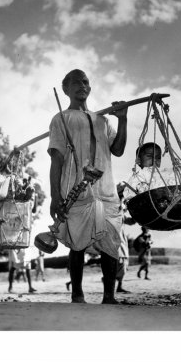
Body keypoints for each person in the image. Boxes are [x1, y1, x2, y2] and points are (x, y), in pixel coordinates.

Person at [48, 69, 128, 304]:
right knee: (77, 243)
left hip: (106, 191)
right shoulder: (61, 119)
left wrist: (122, 118)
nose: (82, 86)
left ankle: (109, 296)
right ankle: (77, 295)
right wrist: (55, 196)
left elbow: (119, 149)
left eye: (85, 82)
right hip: (76, 190)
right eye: (76, 82)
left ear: (90, 88)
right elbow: (57, 159)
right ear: (65, 89)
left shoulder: (102, 119)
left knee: (111, 243)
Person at [115, 182, 136, 293]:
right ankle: (112, 285)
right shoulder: (114, 205)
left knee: (124, 262)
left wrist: (136, 217)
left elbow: (127, 221)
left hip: (122, 238)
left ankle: (119, 285)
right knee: (118, 261)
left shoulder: (121, 206)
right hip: (114, 237)